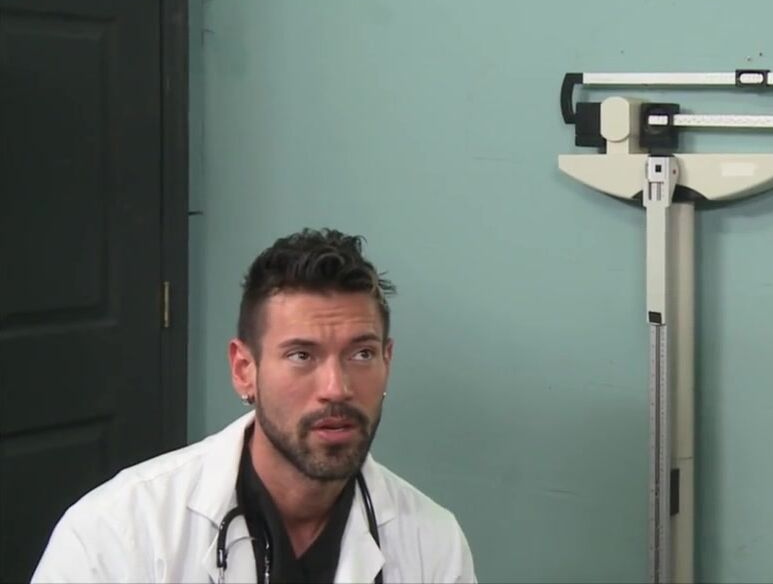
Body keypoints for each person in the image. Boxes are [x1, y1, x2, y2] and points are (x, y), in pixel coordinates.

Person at [31, 228, 475, 583]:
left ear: (387, 362)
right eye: (301, 355)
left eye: (361, 354)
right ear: (244, 370)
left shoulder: (433, 543)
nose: (337, 388)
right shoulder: (117, 532)